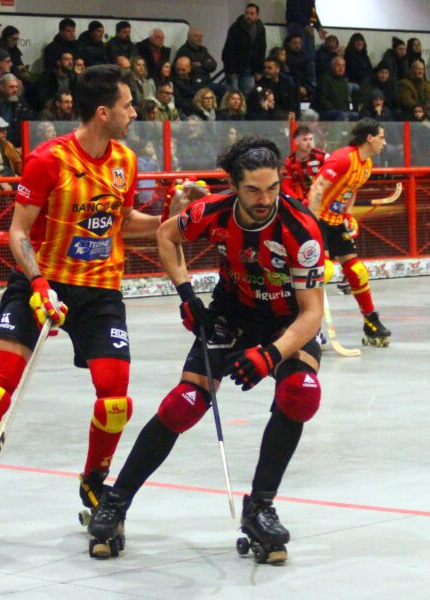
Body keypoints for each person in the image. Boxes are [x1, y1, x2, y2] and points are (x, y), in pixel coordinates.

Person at [0, 65, 160, 548]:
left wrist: (171, 218)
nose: (134, 113)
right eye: (128, 105)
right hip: (40, 285)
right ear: (104, 112)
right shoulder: (47, 160)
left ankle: (94, 483)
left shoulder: (125, 160)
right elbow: (17, 232)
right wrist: (38, 284)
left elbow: (122, 223)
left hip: (99, 292)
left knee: (115, 401)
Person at [85, 134, 326, 563]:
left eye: (273, 188)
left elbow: (312, 314)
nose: (265, 199)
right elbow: (166, 235)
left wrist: (270, 354)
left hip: (286, 321)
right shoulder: (213, 211)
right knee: (184, 403)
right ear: (233, 185)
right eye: (253, 190)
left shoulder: (300, 229)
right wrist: (186, 295)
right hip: (231, 314)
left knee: (299, 394)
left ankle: (261, 507)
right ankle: (115, 502)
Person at [306, 118, 391, 345]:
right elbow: (317, 187)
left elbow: (351, 191)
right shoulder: (343, 158)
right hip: (317, 219)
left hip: (336, 221)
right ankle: (308, 326)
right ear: (369, 138)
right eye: (382, 137)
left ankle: (371, 321)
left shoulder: (367, 165)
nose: (384, 143)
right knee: (323, 272)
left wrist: (348, 216)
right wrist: (311, 223)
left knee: (357, 271)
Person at [222, 4, 266, 93]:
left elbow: (261, 50)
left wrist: (259, 70)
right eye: (247, 13)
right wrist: (231, 71)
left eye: (252, 13)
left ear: (257, 15)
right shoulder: (235, 28)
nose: (248, 16)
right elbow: (229, 50)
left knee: (248, 93)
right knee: (233, 94)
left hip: (250, 68)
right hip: (235, 67)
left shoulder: (260, 29)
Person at [282, 125, 326, 200]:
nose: (309, 143)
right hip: (303, 199)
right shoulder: (290, 161)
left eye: (310, 139)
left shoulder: (322, 156)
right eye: (305, 140)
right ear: (296, 142)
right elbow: (285, 185)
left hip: (322, 196)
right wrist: (297, 201)